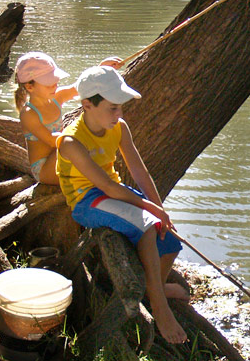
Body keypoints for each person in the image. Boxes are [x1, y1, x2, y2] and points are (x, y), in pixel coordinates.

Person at [55, 65, 188, 344]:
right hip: (87, 200)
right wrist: (149, 211)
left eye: (121, 109)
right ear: (87, 105)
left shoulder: (119, 127)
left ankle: (157, 288)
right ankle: (159, 306)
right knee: (148, 226)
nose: (119, 115)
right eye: (113, 108)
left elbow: (139, 171)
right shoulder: (70, 142)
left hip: (113, 192)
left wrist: (157, 205)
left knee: (170, 240)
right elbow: (105, 187)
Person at [14, 52, 124, 185]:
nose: (55, 86)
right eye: (49, 84)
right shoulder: (29, 113)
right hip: (45, 169)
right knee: (79, 139)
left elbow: (79, 86)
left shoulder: (57, 97)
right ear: (29, 87)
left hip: (63, 155)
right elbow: (50, 140)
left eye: (55, 81)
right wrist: (83, 137)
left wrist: (101, 68)